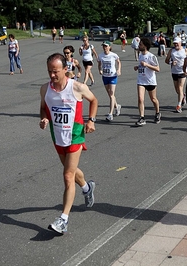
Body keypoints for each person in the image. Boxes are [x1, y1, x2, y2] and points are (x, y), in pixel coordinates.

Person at [39, 53, 98, 234]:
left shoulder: (77, 87)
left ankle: (63, 219)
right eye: (49, 71)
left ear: (66, 69)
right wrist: (43, 119)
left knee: (67, 175)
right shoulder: (45, 89)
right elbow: (43, 107)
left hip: (75, 135)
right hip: (57, 135)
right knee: (69, 170)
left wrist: (91, 120)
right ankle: (87, 188)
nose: (52, 75)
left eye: (55, 71)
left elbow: (94, 100)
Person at [133, 37, 161, 126]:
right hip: (141, 80)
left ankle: (157, 113)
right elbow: (141, 66)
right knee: (140, 99)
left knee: (153, 99)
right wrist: (137, 67)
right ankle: (142, 117)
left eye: (140, 44)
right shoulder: (140, 55)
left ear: (145, 46)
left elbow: (157, 69)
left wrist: (147, 65)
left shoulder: (151, 56)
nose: (139, 46)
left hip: (150, 81)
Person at [97, 41, 122, 121]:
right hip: (105, 76)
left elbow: (119, 62)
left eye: (106, 46)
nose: (104, 47)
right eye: (103, 46)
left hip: (113, 76)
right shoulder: (100, 55)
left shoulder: (113, 55)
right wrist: (100, 70)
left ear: (109, 47)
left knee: (111, 94)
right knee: (110, 95)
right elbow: (99, 64)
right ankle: (117, 106)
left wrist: (118, 70)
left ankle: (110, 114)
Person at [165, 37, 187, 113]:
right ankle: (183, 97)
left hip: (183, 72)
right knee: (177, 90)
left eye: (177, 43)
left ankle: (179, 106)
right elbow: (166, 60)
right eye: (174, 43)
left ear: (180, 43)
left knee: (180, 87)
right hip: (174, 72)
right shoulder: (171, 51)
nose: (175, 45)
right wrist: (171, 63)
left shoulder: (185, 50)